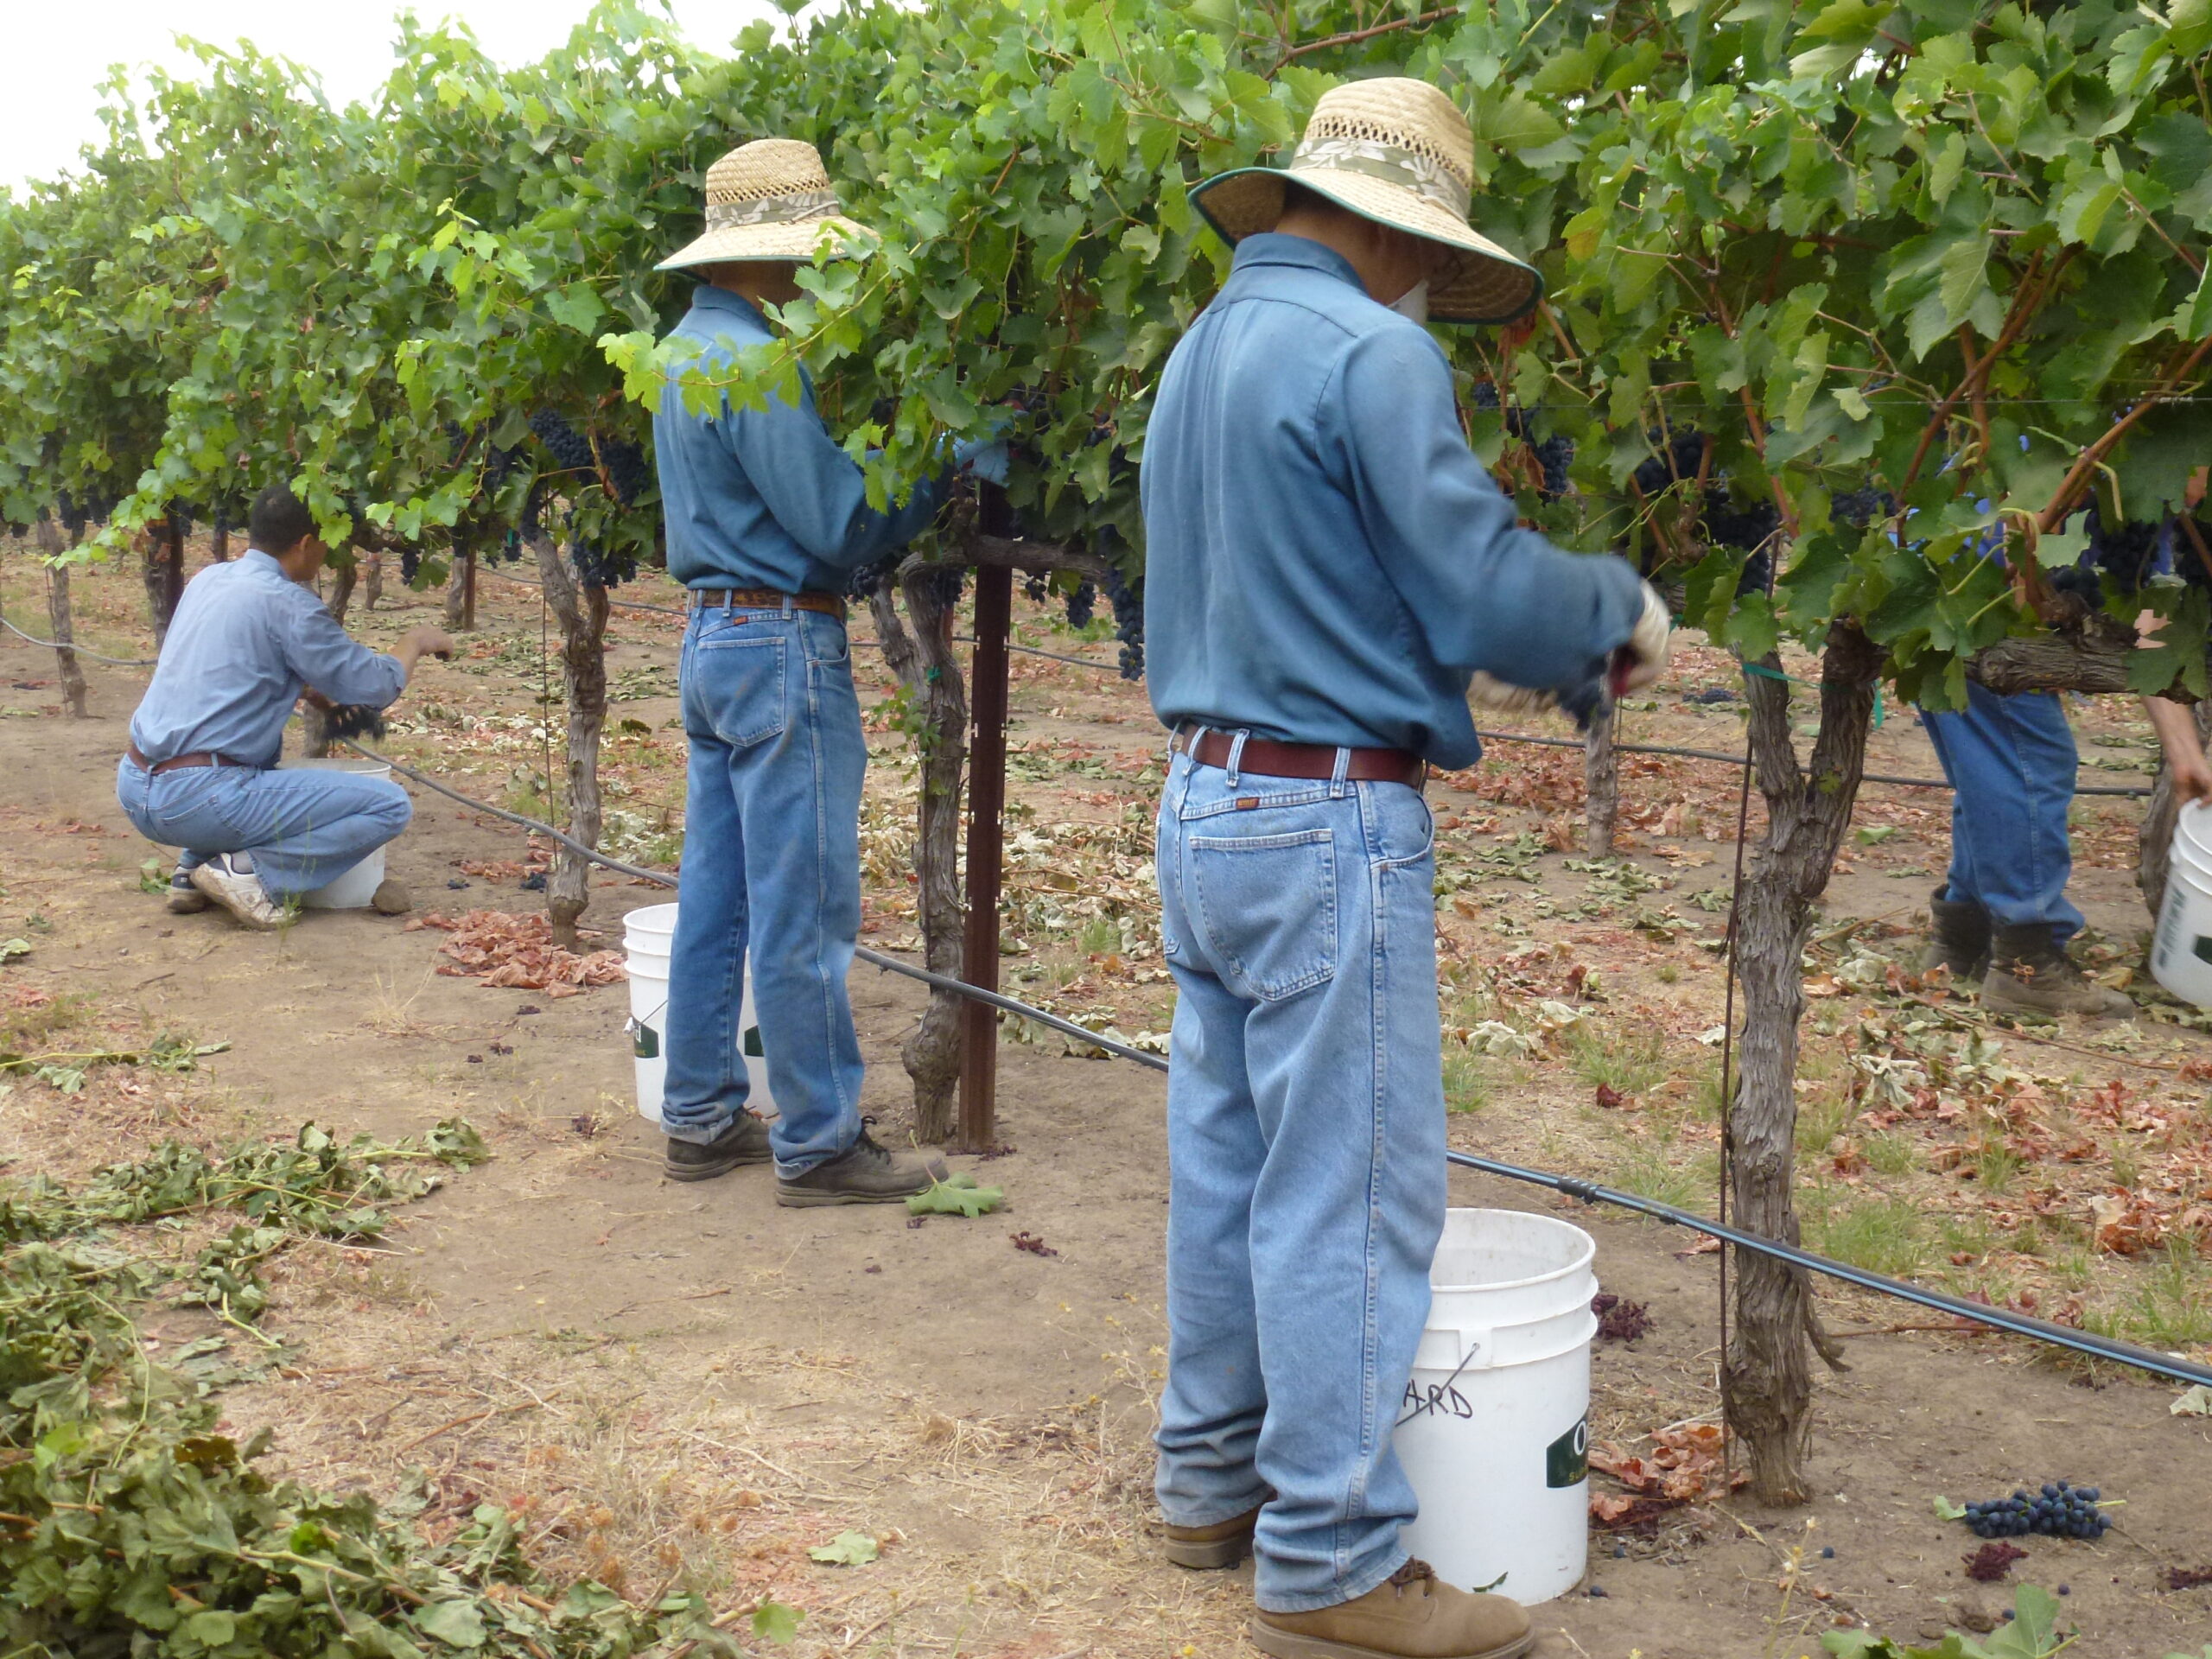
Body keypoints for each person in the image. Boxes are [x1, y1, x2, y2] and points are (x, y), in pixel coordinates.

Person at [1141, 79, 1669, 1659]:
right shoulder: (1376, 352)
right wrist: (1615, 621)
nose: (1432, 288)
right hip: (1324, 821)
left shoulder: (1197, 353)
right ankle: (1330, 1567)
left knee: (1228, 1172)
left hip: (1201, 806)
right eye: (1433, 259)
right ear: (1394, 233)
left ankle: (1205, 1487)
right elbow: (1478, 583)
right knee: (1349, 1195)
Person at [648, 137, 999, 1203]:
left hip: (711, 641)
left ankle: (701, 1117)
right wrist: (943, 465)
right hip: (777, 645)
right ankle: (819, 1141)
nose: (815, 276)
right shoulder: (753, 360)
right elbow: (839, 525)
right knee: (802, 904)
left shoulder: (678, 350)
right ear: (768, 255)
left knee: (719, 897)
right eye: (808, 254)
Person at [116, 483, 449, 930]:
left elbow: (227, 672)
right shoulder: (290, 604)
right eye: (329, 540)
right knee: (388, 805)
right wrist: (414, 642)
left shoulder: (209, 579)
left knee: (254, 765)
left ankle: (190, 873)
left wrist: (303, 687)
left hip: (137, 786)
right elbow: (374, 686)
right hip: (200, 798)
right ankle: (246, 872)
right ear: (306, 543)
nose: (332, 553)